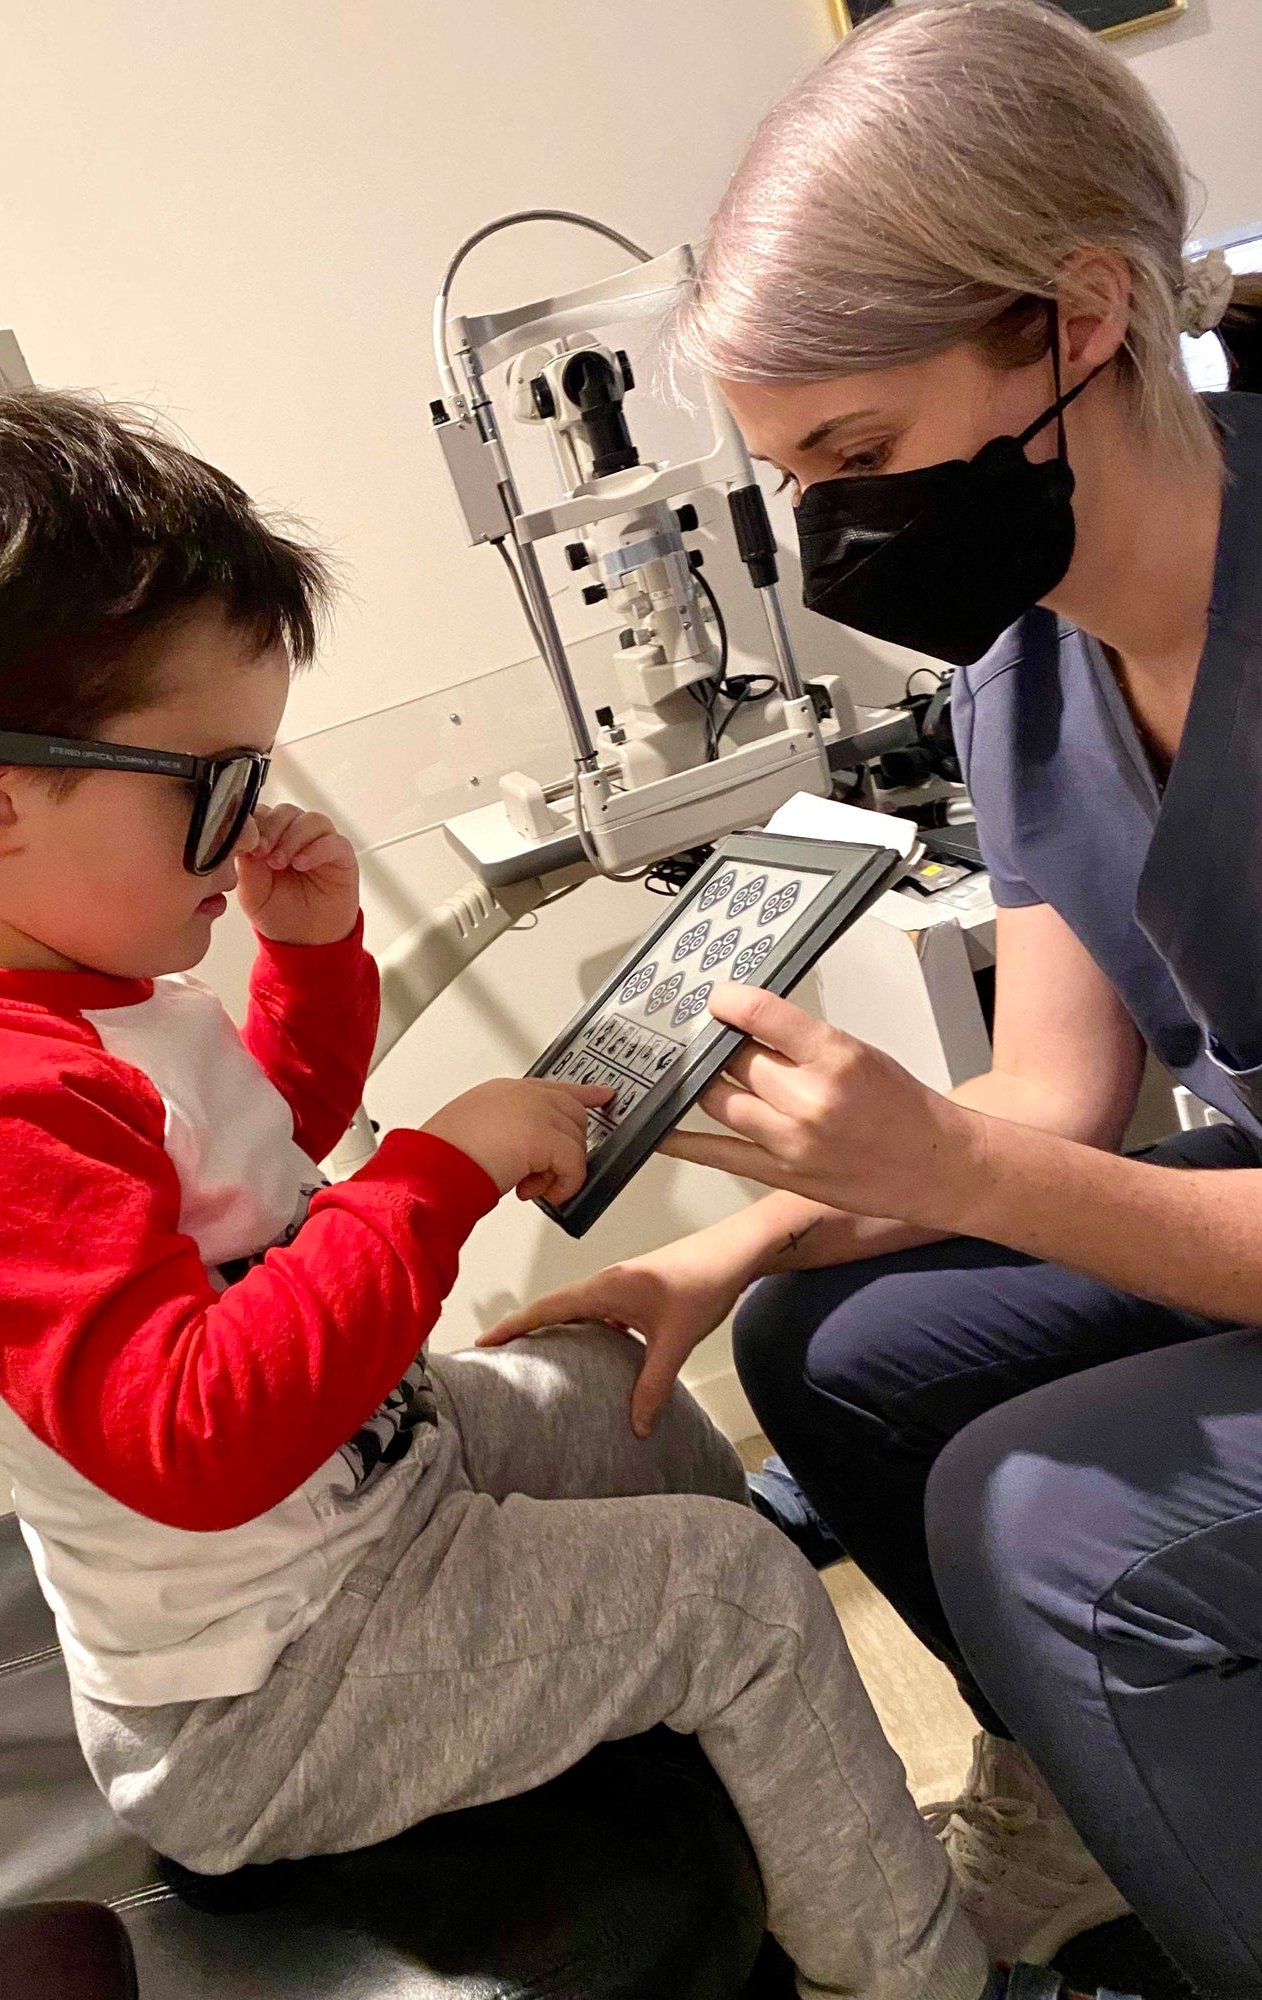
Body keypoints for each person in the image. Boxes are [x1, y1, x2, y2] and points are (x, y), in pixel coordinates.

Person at [0, 344, 1028, 2000]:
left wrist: (306, 957)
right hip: (260, 1690)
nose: (245, 828)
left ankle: (786, 1789)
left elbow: (260, 1170)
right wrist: (434, 1178)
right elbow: (198, 1433)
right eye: (210, 790)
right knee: (730, 1597)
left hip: (365, 1498)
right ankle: (931, 1978)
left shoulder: (85, 1003)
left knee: (617, 1394)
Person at [486, 1, 1262, 1990]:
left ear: (1080, 315)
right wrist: (729, 1248)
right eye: (793, 479)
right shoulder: (1030, 663)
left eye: (859, 454)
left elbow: (1027, 1171)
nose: (839, 535)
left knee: (1044, 1519)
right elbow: (1059, 1100)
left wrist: (945, 1166)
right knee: (837, 1348)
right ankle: (1112, 1815)